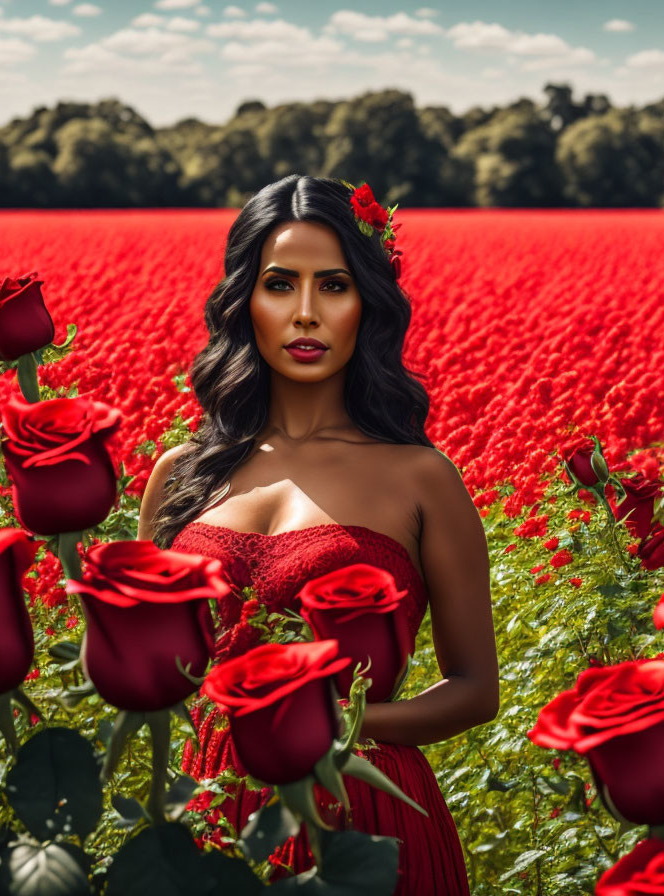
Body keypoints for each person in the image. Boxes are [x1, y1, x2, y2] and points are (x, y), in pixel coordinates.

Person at [136, 174, 498, 893]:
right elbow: (154, 679)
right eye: (280, 285)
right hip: (207, 820)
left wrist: (340, 727)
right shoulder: (180, 475)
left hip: (365, 812)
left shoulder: (422, 479)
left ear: (368, 302)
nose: (306, 314)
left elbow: (474, 688)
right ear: (247, 302)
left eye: (333, 285)